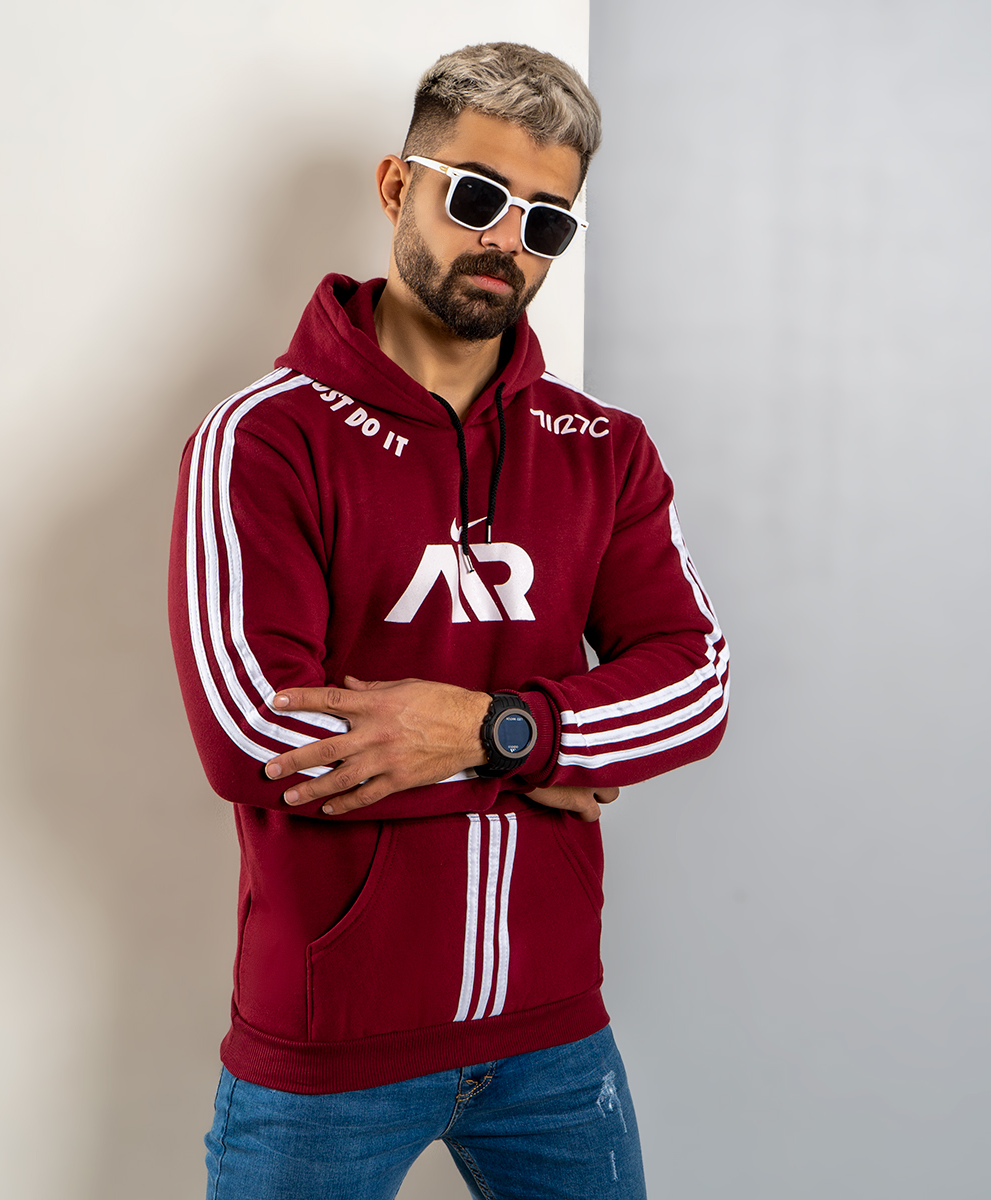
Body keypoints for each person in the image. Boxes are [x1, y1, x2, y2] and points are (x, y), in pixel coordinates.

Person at [169, 41, 728, 1200]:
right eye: (476, 196)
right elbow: (257, 738)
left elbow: (695, 685)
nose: (505, 240)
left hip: (556, 1044)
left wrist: (499, 731)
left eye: (545, 221)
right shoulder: (264, 440)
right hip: (325, 1055)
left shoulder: (604, 449)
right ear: (397, 186)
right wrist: (567, 751)